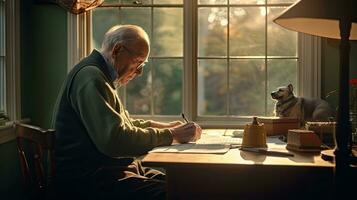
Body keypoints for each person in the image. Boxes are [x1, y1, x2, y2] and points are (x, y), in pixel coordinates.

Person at [51, 24, 202, 199]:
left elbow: (120, 124)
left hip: (114, 171)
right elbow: (114, 139)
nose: (139, 72)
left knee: (186, 184)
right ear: (117, 50)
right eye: (138, 62)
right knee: (181, 192)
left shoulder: (98, 74)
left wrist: (161, 126)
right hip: (92, 180)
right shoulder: (91, 77)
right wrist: (171, 134)